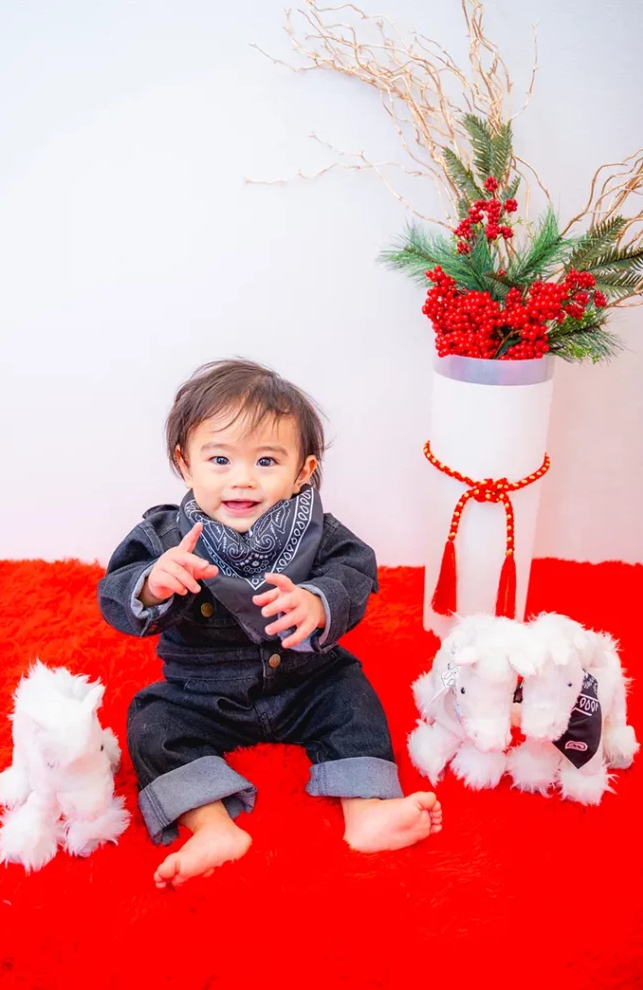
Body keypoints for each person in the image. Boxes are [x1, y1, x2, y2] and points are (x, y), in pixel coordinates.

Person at [98, 359, 442, 888]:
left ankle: (367, 809)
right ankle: (212, 826)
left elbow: (355, 569)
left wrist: (319, 602)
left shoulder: (316, 532)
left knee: (353, 697)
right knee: (152, 722)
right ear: (185, 464)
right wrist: (151, 585)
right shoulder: (166, 535)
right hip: (203, 693)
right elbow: (115, 591)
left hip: (305, 682)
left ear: (303, 470)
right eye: (219, 459)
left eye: (265, 460)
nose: (242, 479)